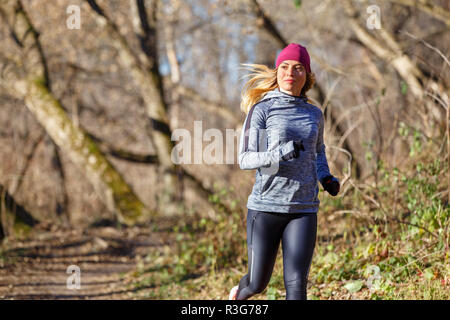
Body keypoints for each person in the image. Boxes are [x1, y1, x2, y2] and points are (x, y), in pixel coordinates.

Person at [229, 43, 340, 300]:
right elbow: (245, 159)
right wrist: (279, 153)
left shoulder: (314, 114)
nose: (291, 72)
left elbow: (318, 151)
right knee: (257, 284)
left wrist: (326, 177)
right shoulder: (262, 109)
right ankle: (236, 296)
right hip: (266, 208)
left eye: (298, 68)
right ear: (278, 72)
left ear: (307, 76)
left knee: (297, 286)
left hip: (304, 209)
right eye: (285, 67)